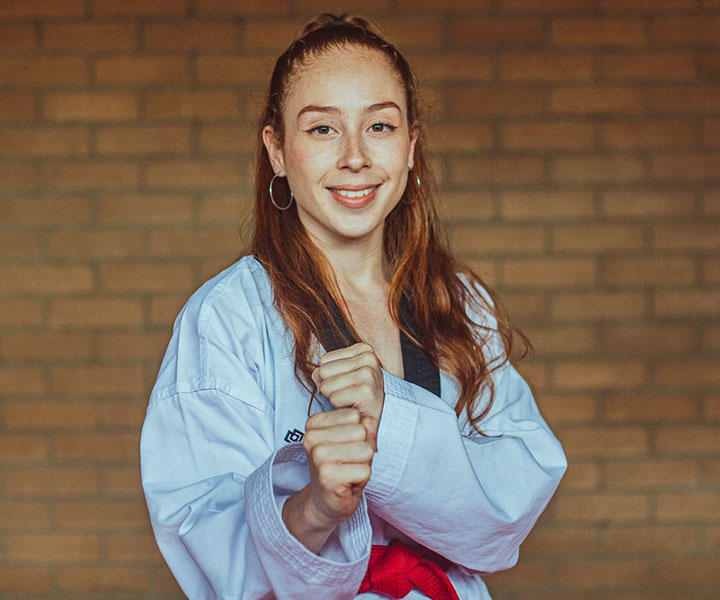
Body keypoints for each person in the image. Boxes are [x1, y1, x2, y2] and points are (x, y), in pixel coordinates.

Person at [140, 13, 567, 600]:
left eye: (380, 127)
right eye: (322, 130)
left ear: (411, 146)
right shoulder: (228, 318)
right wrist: (315, 508)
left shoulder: (459, 303)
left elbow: (504, 525)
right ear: (278, 151)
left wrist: (389, 417)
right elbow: (217, 556)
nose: (355, 157)